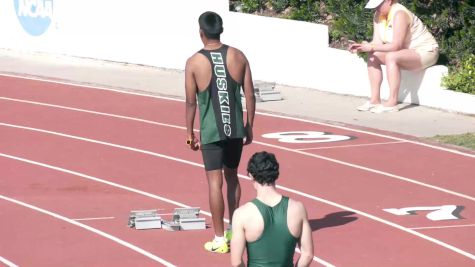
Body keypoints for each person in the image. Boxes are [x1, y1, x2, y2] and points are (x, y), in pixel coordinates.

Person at [185, 11, 256, 253]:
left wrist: (189, 133)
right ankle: (235, 231)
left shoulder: (194, 62)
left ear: (201, 33)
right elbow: (250, 94)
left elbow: (191, 102)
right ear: (221, 30)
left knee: (214, 183)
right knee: (233, 177)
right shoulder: (238, 56)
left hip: (211, 131)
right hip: (235, 128)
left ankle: (218, 239)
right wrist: (249, 124)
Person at [349, 0, 439, 113]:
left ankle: (392, 102)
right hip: (406, 52)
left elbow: (396, 45)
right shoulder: (378, 15)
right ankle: (374, 100)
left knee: (391, 57)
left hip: (426, 52)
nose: (376, 9)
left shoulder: (400, 14)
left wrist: (371, 47)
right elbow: (377, 42)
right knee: (373, 56)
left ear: (389, 1)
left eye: (378, 5)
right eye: (374, 6)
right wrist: (362, 47)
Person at [231, 151, 314, 267]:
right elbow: (308, 254)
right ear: (276, 173)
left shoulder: (242, 214)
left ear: (251, 175)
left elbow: (237, 262)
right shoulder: (297, 209)